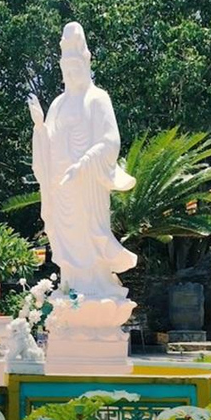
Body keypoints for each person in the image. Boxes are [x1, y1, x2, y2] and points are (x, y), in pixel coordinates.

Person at [27, 22, 137, 299]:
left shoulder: (98, 99)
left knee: (90, 238)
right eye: (66, 69)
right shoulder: (58, 104)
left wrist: (84, 163)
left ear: (86, 65)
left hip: (87, 183)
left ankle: (97, 287)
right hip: (61, 187)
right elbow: (47, 147)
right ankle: (72, 288)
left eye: (75, 68)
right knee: (65, 241)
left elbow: (110, 140)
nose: (70, 74)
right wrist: (39, 126)